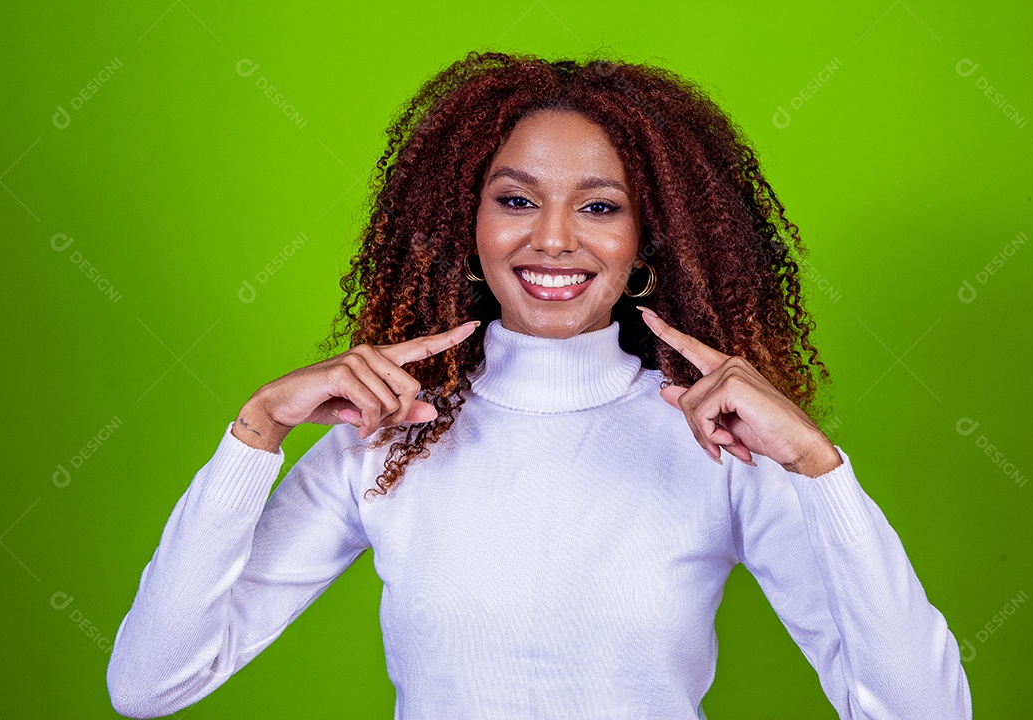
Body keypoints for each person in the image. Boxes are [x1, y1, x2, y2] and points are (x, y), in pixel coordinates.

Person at [106, 51, 972, 719]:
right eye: (516, 200)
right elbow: (150, 684)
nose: (552, 239)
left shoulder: (716, 443)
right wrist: (254, 430)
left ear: (647, 238)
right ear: (467, 222)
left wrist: (821, 469)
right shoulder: (392, 435)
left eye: (600, 207)